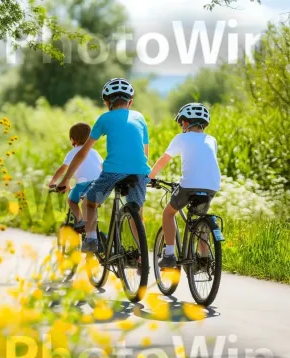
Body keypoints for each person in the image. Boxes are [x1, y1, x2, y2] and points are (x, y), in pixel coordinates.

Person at [57, 78, 151, 253]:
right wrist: (145, 175)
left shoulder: (104, 118)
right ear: (130, 102)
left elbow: (83, 152)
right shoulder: (140, 118)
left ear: (108, 103)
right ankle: (141, 257)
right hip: (139, 172)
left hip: (112, 174)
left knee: (89, 203)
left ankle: (92, 239)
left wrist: (66, 179)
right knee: (136, 214)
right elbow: (145, 153)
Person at [149, 103, 221, 268]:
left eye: (181, 123)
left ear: (186, 123)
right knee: (200, 218)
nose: (181, 126)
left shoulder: (181, 138)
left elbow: (164, 159)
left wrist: (150, 177)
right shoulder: (212, 140)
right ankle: (204, 258)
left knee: (168, 213)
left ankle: (168, 254)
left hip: (188, 186)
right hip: (211, 186)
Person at [48, 123, 103, 229]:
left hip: (84, 184)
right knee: (91, 205)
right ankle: (94, 233)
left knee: (71, 200)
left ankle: (81, 220)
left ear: (73, 139)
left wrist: (53, 181)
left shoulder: (74, 152)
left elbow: (62, 169)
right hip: (99, 184)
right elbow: (102, 166)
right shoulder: (94, 152)